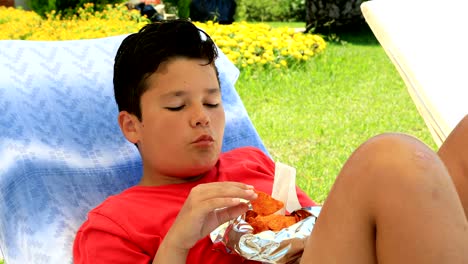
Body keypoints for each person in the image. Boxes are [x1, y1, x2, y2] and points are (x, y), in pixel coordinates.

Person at [73, 19, 468, 263]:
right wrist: (178, 241)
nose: (201, 116)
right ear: (131, 126)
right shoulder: (114, 225)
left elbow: (319, 225)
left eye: (213, 101)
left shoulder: (250, 164)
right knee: (390, 159)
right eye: (177, 107)